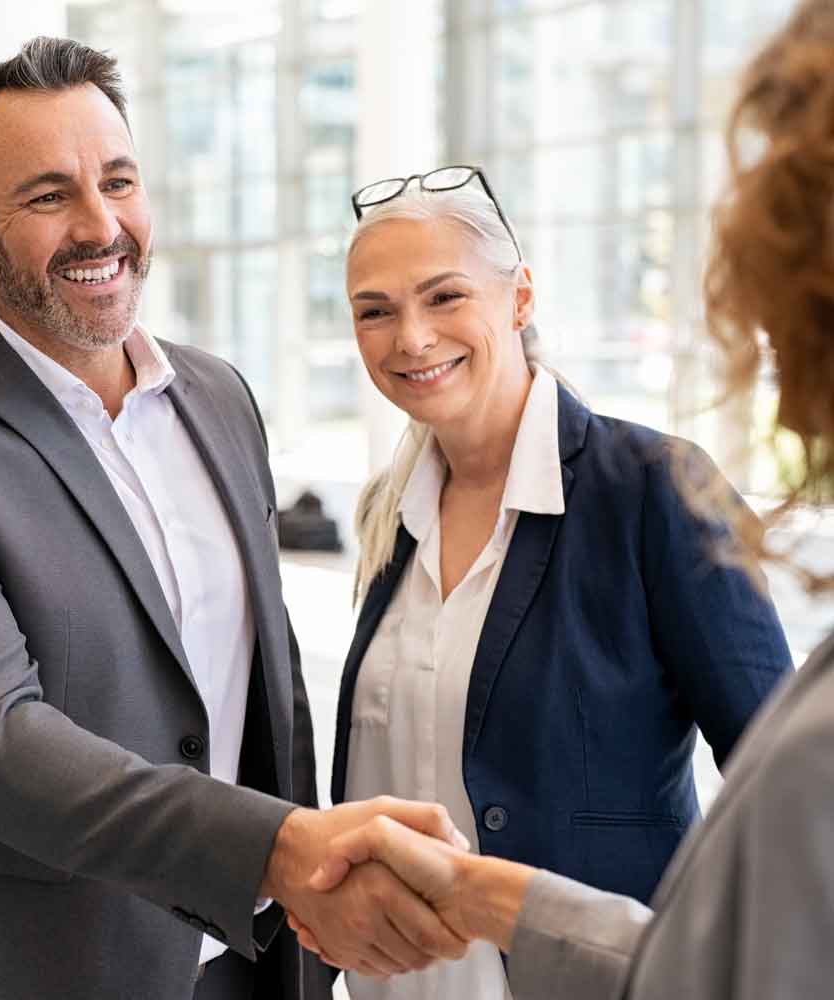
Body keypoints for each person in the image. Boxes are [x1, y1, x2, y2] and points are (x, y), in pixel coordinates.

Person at [0, 36, 467, 1000]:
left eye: (119, 181)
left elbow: (262, 685)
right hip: (23, 967)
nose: (100, 224)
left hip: (244, 956)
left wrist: (307, 907)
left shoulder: (216, 395)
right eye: (47, 195)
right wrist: (276, 850)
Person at [293, 2, 834, 997]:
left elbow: (781, 787)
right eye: (375, 311)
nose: (410, 337)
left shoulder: (655, 490)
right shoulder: (390, 511)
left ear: (522, 298)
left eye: (445, 296)